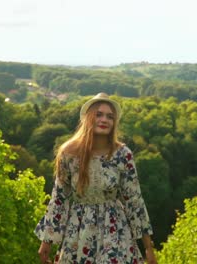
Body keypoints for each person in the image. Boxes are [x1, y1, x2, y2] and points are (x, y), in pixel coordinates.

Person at [35, 93, 157, 264]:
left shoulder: (123, 155)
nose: (104, 120)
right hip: (78, 233)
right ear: (88, 117)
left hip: (115, 231)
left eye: (110, 116)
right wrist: (46, 241)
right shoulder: (69, 153)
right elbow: (59, 199)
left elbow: (134, 201)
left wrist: (148, 248)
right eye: (99, 114)